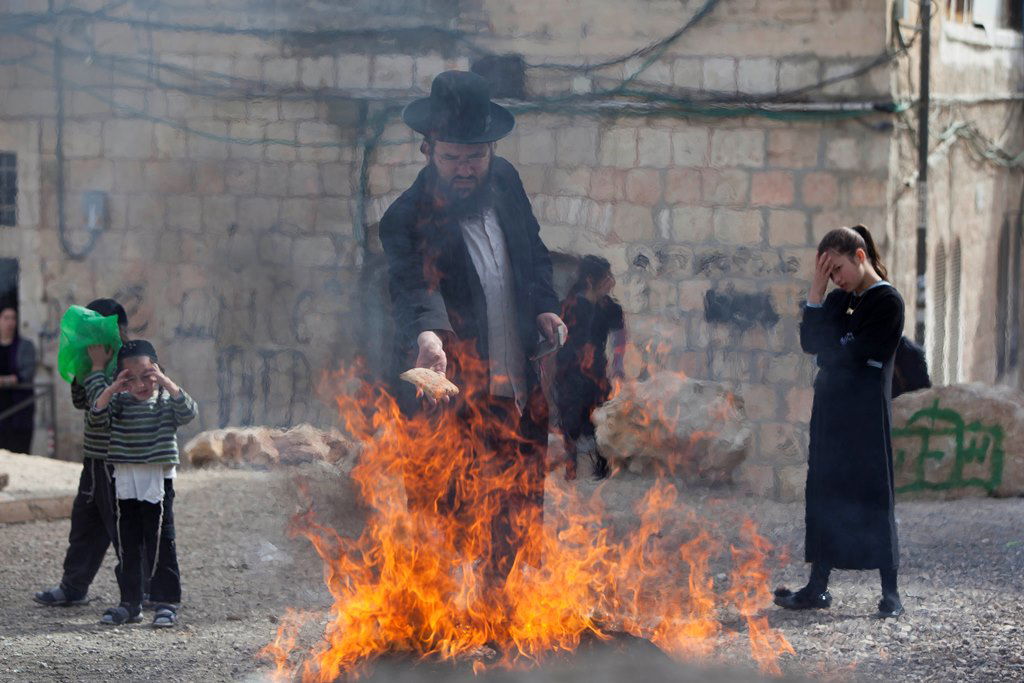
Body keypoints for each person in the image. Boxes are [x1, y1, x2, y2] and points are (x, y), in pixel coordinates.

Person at [379, 70, 565, 581]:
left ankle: (506, 605)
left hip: (517, 385)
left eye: (475, 157)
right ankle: (453, 612)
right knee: (455, 516)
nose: (465, 170)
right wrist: (428, 335)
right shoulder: (405, 217)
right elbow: (413, 287)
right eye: (452, 158)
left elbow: (535, 252)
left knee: (516, 511)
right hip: (457, 394)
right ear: (428, 150)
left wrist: (545, 306)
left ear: (491, 151)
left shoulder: (506, 181)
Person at [774, 225, 905, 619]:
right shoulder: (836, 300)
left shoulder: (888, 302)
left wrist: (834, 352)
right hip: (830, 413)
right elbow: (811, 344)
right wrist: (816, 292)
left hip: (865, 416)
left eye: (837, 270)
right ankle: (817, 587)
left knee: (873, 496)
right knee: (824, 494)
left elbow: (858, 354)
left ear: (860, 256)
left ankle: (891, 593)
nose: (836, 279)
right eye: (828, 273)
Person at [87, 340, 196, 627]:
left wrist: (165, 382)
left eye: (147, 376)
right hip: (125, 482)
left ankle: (166, 602)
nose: (140, 385)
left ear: (158, 372)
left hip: (157, 480)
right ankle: (130, 603)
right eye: (131, 378)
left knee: (161, 541)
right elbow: (95, 418)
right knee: (128, 543)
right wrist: (112, 389)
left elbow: (189, 412)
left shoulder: (166, 402)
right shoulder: (119, 403)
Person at [34, 298, 129, 607]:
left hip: (119, 462)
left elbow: (106, 410)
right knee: (84, 525)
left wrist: (99, 369)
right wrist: (84, 369)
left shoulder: (132, 363)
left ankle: (144, 592)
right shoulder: (97, 361)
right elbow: (81, 401)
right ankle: (73, 587)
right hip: (94, 460)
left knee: (125, 529)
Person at [555, 256, 626, 480]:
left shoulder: (610, 308)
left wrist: (618, 364)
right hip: (569, 373)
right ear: (590, 279)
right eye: (606, 277)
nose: (611, 281)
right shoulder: (569, 306)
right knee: (571, 423)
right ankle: (571, 468)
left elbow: (620, 336)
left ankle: (603, 468)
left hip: (596, 372)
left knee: (601, 420)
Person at [0, 304, 36, 454]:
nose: (10, 322)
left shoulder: (26, 346)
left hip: (19, 409)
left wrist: (4, 381)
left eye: (13, 318)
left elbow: (27, 373)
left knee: (19, 450)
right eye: (6, 318)